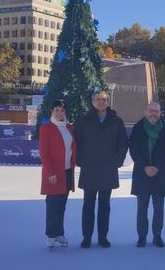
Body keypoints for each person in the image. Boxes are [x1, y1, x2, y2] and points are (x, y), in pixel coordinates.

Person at [74, 91, 128, 248]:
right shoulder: (83, 121)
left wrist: (117, 161)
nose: (101, 102)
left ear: (108, 101)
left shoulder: (116, 121)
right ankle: (87, 237)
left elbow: (123, 143)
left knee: (105, 205)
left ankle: (103, 237)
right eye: (98, 99)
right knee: (88, 204)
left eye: (104, 99)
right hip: (89, 168)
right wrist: (81, 160)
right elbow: (77, 142)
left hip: (108, 169)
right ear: (93, 102)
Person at [129, 102, 165, 248]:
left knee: (158, 208)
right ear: (145, 111)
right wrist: (145, 167)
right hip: (142, 173)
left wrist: (157, 167)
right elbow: (133, 149)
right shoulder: (138, 127)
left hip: (159, 173)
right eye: (151, 111)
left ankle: (157, 236)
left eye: (156, 111)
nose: (153, 113)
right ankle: (141, 237)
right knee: (142, 208)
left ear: (160, 112)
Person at [39, 100, 77, 249]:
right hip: (54, 174)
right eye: (56, 110)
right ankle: (51, 235)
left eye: (62, 110)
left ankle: (59, 233)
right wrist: (51, 172)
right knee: (53, 205)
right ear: (52, 111)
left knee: (62, 205)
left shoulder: (69, 127)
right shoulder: (46, 128)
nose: (59, 113)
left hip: (67, 172)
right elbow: (44, 153)